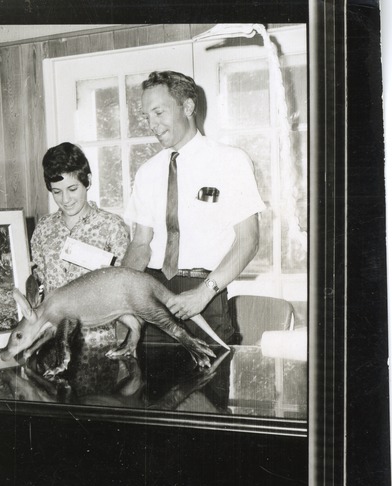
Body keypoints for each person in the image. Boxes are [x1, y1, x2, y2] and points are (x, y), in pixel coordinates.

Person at [122, 71, 266, 347]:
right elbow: (141, 244)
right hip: (153, 295)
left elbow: (249, 240)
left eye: (158, 112)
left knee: (208, 386)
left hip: (206, 294)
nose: (152, 124)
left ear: (187, 107)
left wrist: (203, 293)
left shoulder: (231, 161)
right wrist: (121, 293)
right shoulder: (147, 172)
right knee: (151, 388)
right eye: (146, 116)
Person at [30, 141, 130, 294]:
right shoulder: (43, 227)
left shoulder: (112, 226)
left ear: (88, 181)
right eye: (57, 192)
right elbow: (38, 283)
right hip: (53, 316)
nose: (65, 199)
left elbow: (125, 288)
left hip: (98, 316)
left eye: (72, 189)